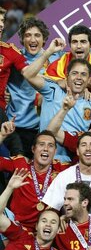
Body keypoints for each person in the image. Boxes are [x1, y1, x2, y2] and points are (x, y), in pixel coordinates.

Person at [23, 46, 91, 161]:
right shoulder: (52, 90)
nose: (79, 78)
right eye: (74, 73)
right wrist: (48, 52)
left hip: (74, 165)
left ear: (89, 79)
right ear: (67, 75)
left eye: (83, 74)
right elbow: (28, 74)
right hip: (46, 162)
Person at [0, 129, 68, 230]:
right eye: (41, 144)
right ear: (33, 149)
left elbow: (87, 168)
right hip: (19, 230)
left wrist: (68, 215)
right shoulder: (20, 164)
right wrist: (1, 135)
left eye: (50, 145)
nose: (46, 148)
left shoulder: (62, 169)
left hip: (49, 231)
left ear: (55, 151)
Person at [6, 17, 51, 157]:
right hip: (15, 128)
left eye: (37, 35)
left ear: (44, 39)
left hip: (43, 129)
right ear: (22, 39)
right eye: (28, 35)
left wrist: (90, 85)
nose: (32, 39)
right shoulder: (13, 58)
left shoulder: (56, 59)